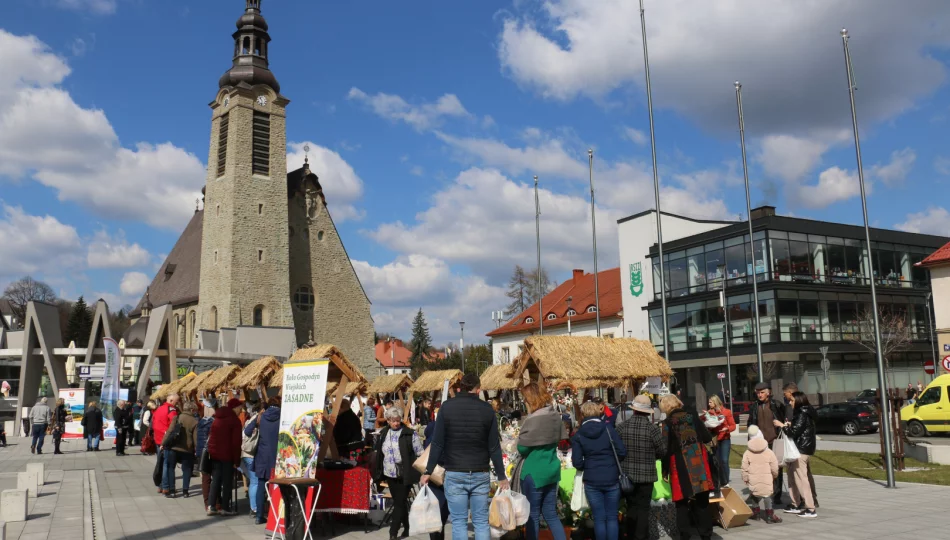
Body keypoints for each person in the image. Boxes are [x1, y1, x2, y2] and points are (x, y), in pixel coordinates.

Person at [421, 373, 508, 540]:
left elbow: (437, 443)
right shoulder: (487, 410)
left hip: (455, 471)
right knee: (481, 521)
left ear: (460, 387)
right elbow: (494, 447)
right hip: (480, 472)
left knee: (459, 522)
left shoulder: (446, 407)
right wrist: (501, 476)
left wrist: (428, 470)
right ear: (478, 389)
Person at [517, 383, 568, 540]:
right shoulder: (554, 416)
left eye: (525, 399)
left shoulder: (533, 419)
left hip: (534, 471)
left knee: (532, 516)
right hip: (551, 468)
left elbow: (522, 449)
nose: (524, 402)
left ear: (531, 399)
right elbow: (561, 439)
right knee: (551, 515)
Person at [661, 394, 715, 540]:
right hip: (698, 461)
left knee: (681, 503)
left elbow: (665, 449)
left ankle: (685, 535)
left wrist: (665, 470)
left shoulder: (667, 422)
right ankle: (706, 534)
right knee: (702, 501)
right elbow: (706, 437)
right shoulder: (692, 416)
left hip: (679, 465)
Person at [572, 401, 625, 540]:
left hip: (592, 479)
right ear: (598, 412)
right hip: (612, 476)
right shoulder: (608, 429)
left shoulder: (578, 434)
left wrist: (587, 465)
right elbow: (622, 451)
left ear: (582, 415)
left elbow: (577, 462)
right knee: (612, 517)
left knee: (599, 518)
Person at [617, 395, 666, 540]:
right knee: (644, 508)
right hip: (647, 475)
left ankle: (631, 535)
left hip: (628, 475)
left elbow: (617, 450)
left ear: (634, 410)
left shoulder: (621, 427)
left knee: (631, 507)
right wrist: (652, 456)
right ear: (647, 412)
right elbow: (662, 451)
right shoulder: (653, 429)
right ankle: (641, 537)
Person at [372, 406, 423, 540]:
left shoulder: (409, 434)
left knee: (399, 503)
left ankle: (393, 532)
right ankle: (407, 526)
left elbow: (420, 453)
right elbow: (379, 454)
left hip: (405, 473)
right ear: (388, 420)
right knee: (399, 501)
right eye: (393, 420)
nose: (396, 423)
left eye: (398, 420)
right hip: (389, 473)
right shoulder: (383, 433)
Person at [747, 382, 787, 506]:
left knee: (776, 469)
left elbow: (785, 419)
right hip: (760, 443)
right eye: (758, 393)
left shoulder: (776, 404)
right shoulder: (754, 406)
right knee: (759, 469)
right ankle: (758, 494)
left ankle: (776, 495)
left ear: (768, 392)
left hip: (774, 441)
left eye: (762, 392)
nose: (760, 395)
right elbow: (750, 423)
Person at [783, 382, 818, 508]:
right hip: (804, 447)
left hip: (801, 448)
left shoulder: (801, 413)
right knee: (799, 476)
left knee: (801, 478)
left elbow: (793, 432)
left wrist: (783, 426)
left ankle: (809, 506)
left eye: (791, 400)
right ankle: (798, 503)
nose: (789, 402)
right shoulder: (806, 411)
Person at [207, 398, 242, 516]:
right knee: (227, 481)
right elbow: (236, 443)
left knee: (216, 479)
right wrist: (237, 460)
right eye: (240, 408)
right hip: (227, 454)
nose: (241, 411)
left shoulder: (217, 418)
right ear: (235, 408)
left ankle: (211, 505)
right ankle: (225, 507)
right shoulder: (234, 421)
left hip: (215, 454)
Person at [249, 396, 280, 525]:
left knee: (261, 486)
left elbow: (246, 431)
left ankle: (259, 516)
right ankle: (275, 516)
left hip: (262, 457)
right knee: (277, 488)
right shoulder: (283, 416)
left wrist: (258, 419)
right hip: (277, 457)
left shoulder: (262, 416)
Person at [741, 425, 781, 523]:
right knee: (767, 496)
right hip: (767, 478)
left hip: (753, 478)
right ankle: (769, 515)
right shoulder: (769, 452)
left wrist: (745, 478)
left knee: (754, 494)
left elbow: (744, 467)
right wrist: (774, 475)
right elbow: (775, 466)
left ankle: (756, 513)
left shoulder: (747, 452)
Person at [423, 410, 449, 540]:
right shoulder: (440, 428)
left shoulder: (432, 426)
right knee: (440, 511)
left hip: (433, 474)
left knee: (436, 511)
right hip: (440, 473)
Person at [168, 401, 199, 499]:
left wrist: (163, 444)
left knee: (171, 468)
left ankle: (172, 491)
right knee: (187, 470)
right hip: (187, 449)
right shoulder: (194, 421)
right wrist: (196, 450)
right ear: (191, 409)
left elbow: (169, 431)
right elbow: (196, 438)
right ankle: (185, 491)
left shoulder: (176, 417)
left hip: (174, 447)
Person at [706, 395, 736, 488]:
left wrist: (726, 429)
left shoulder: (726, 412)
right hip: (715, 439)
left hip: (725, 439)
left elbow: (733, 426)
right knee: (716, 461)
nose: (709, 404)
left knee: (724, 460)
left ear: (715, 402)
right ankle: (718, 480)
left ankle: (725, 481)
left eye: (710, 402)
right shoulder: (709, 413)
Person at [153, 394, 180, 495]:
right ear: (172, 400)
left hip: (157, 438)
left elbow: (154, 422)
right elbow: (173, 426)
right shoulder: (171, 410)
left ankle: (161, 485)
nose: (177, 404)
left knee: (160, 463)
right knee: (166, 464)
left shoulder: (159, 409)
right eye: (176, 402)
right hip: (166, 440)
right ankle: (166, 487)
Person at [240, 401, 260, 517]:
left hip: (245, 454)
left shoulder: (249, 420)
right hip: (250, 454)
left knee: (253, 481)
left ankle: (254, 507)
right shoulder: (255, 422)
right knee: (255, 481)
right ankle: (254, 508)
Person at [197, 397, 217, 510]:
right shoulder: (213, 423)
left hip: (202, 452)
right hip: (211, 452)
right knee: (215, 477)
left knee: (205, 478)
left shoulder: (201, 422)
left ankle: (206, 503)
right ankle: (215, 502)